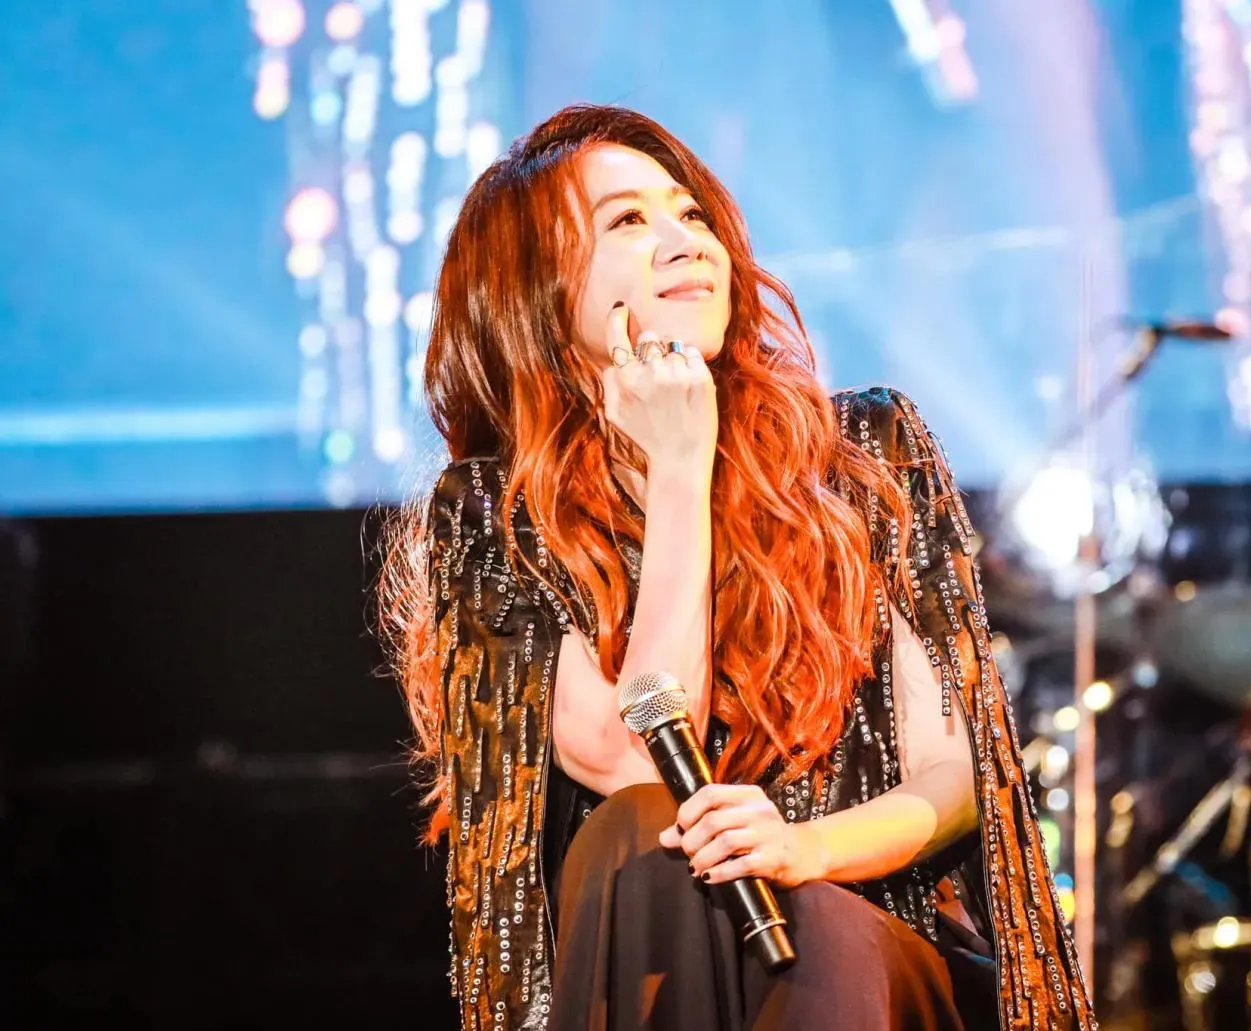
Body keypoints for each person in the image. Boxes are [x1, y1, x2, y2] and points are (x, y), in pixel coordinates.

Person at [379, 104, 1094, 1031]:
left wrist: (800, 850)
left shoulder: (857, 451)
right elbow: (635, 759)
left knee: (789, 917)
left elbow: (953, 776)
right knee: (641, 835)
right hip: (655, 946)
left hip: (873, 938)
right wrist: (678, 471)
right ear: (536, 289)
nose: (686, 241)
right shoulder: (492, 516)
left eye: (690, 213)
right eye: (627, 221)